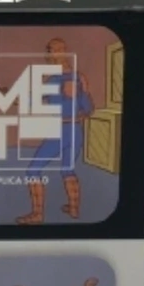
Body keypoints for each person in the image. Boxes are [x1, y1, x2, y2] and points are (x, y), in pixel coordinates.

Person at [16, 37, 94, 224]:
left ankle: (37, 214)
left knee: (33, 171)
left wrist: (16, 99)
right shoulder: (79, 77)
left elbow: (32, 102)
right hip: (76, 131)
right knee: (67, 169)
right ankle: (74, 209)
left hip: (60, 131)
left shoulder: (53, 79)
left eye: (52, 50)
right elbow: (89, 109)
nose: (51, 54)